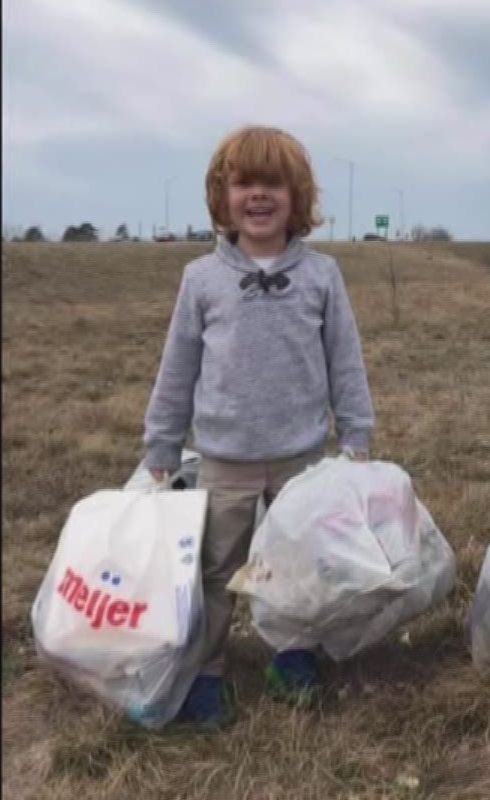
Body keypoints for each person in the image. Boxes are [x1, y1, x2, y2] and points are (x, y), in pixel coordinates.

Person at [141, 124, 376, 729]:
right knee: (216, 572)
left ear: (297, 197)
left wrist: (356, 434)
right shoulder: (201, 279)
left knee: (301, 567)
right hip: (223, 460)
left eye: (274, 183)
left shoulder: (323, 276)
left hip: (304, 461)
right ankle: (206, 671)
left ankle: (294, 656)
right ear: (223, 197)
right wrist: (162, 442)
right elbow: (178, 367)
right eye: (245, 183)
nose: (259, 196)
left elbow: (344, 360)